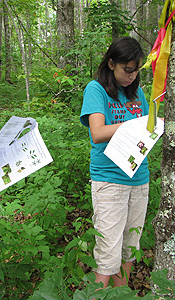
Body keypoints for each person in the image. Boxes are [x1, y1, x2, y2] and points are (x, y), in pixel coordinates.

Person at [80, 37, 149, 290]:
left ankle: (121, 295)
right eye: (126, 70)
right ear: (111, 63)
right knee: (108, 251)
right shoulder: (96, 89)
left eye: (136, 70)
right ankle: (97, 295)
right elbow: (97, 132)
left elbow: (143, 130)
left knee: (130, 248)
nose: (131, 76)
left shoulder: (136, 92)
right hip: (110, 180)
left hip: (139, 177)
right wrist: (137, 125)